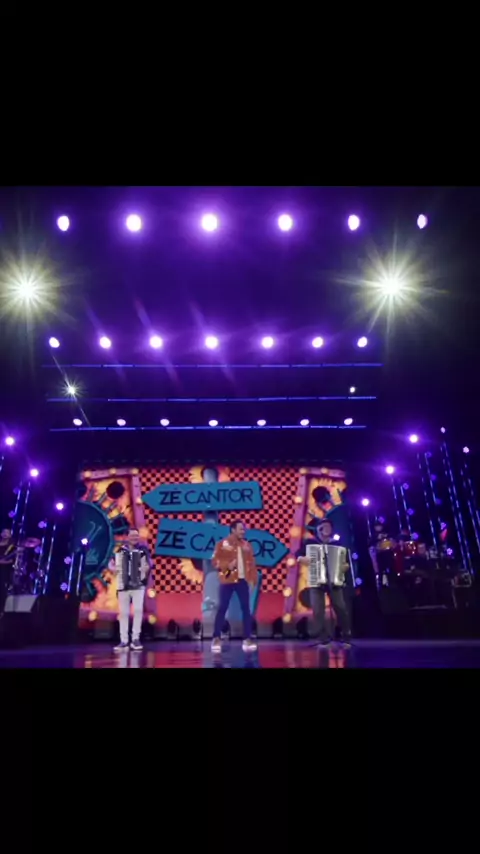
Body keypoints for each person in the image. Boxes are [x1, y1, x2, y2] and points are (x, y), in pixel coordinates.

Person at [299, 520, 352, 646]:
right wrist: (302, 559)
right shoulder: (310, 543)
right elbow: (298, 554)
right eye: (325, 527)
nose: (328, 529)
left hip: (334, 580)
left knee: (340, 607)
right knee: (318, 609)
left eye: (330, 527)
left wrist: (344, 567)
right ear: (319, 529)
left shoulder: (336, 543)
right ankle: (321, 636)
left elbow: (345, 560)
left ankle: (346, 632)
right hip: (317, 579)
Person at [211, 520, 258, 653]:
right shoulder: (222, 544)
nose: (243, 531)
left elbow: (252, 563)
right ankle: (216, 638)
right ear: (233, 530)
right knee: (222, 608)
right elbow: (215, 561)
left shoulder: (247, 545)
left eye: (244, 529)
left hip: (242, 581)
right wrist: (227, 565)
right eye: (240, 529)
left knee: (246, 609)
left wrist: (253, 580)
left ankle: (247, 639)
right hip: (227, 580)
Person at [110, 528, 151, 652]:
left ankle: (135, 639)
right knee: (124, 613)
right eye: (132, 535)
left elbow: (148, 564)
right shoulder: (120, 550)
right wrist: (114, 569)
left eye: (136, 536)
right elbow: (111, 564)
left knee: (138, 611)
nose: (134, 538)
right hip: (123, 586)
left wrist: (145, 569)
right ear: (127, 537)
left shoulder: (143, 550)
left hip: (138, 585)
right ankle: (124, 641)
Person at [0, 528, 16, 616]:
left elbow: (12, 561)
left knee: (2, 589)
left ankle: (2, 610)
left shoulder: (11, 547)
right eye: (4, 532)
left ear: (10, 535)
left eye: (7, 533)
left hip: (4, 570)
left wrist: (2, 562)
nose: (5, 534)